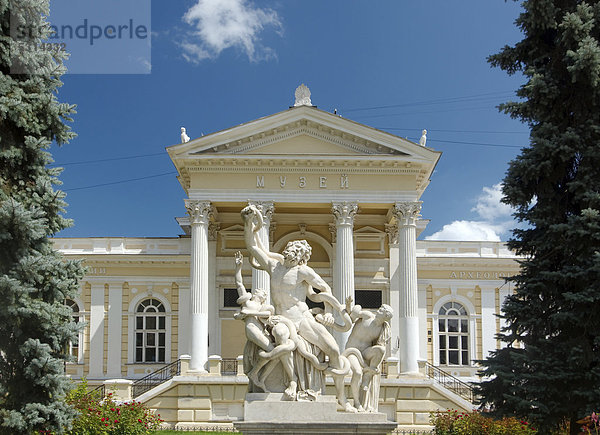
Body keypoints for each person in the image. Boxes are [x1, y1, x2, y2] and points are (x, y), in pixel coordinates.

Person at [241, 204, 355, 410]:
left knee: (334, 350)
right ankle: (292, 381)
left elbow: (324, 289)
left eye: (298, 251)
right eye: (292, 249)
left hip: (302, 319)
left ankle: (342, 399)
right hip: (282, 319)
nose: (293, 252)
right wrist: (249, 223)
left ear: (302, 257)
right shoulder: (273, 267)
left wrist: (329, 313)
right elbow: (253, 247)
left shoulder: (304, 271)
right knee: (282, 337)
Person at [232, 251, 275, 389]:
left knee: (275, 351)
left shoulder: (264, 307)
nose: (260, 291)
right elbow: (239, 283)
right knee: (272, 350)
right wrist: (238, 267)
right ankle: (255, 373)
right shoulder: (247, 302)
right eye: (260, 291)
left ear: (263, 297)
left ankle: (257, 374)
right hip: (251, 329)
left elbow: (268, 315)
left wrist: (248, 313)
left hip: (260, 330)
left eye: (263, 292)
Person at [344, 303, 393, 412]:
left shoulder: (381, 329)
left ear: (385, 317)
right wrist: (348, 306)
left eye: (381, 311)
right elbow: (351, 317)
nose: (378, 311)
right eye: (379, 309)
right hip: (352, 351)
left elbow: (380, 345)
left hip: (365, 353)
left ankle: (368, 376)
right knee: (357, 372)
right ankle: (357, 403)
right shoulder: (367, 316)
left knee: (381, 349)